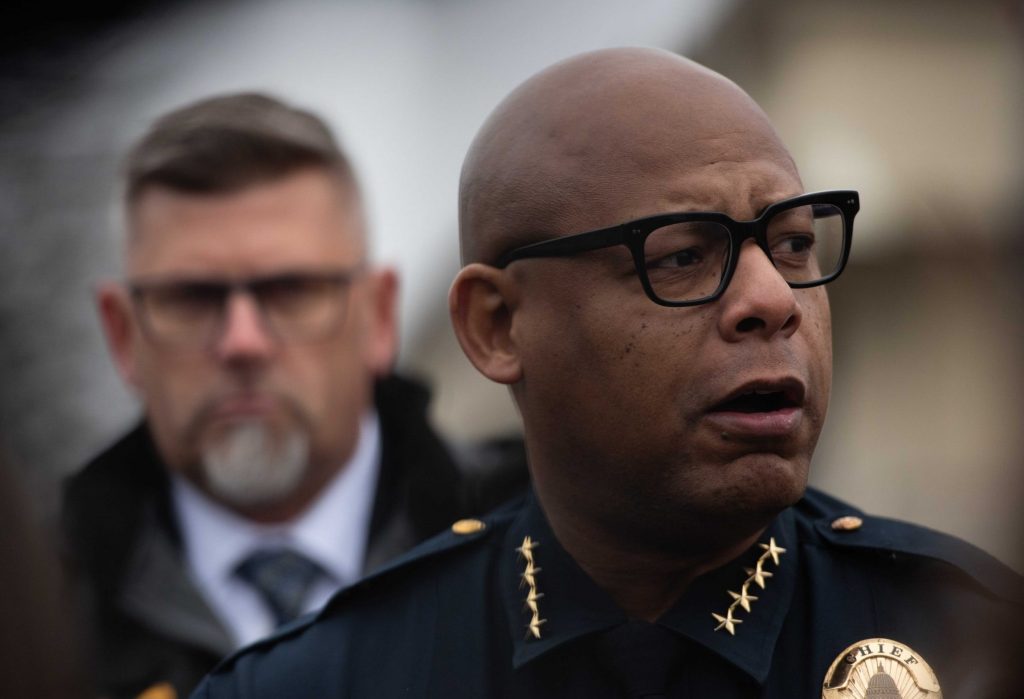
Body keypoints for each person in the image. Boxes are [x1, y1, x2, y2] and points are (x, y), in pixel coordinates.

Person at [192, 49, 1023, 698]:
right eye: (685, 254)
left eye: (795, 243)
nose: (773, 299)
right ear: (498, 326)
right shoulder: (324, 683)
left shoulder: (975, 639)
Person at [61, 93, 526, 699]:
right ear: (122, 335)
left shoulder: (544, 542)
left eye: (291, 290)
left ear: (379, 316)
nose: (242, 342)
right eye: (191, 298)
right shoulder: (38, 617)